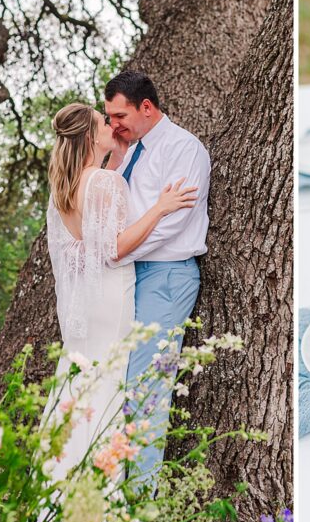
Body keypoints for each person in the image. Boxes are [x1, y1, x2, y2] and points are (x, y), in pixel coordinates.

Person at [42, 102, 197, 481]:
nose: (111, 124)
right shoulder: (106, 181)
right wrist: (160, 208)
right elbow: (113, 247)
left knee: (81, 375)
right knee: (109, 380)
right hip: (111, 294)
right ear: (90, 135)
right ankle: (101, 483)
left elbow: (90, 235)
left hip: (88, 301)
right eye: (102, 122)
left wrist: (116, 161)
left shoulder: (67, 184)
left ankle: (60, 476)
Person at [103, 70, 211, 480]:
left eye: (118, 116)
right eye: (109, 118)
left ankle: (137, 503)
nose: (114, 125)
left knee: (147, 389)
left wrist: (117, 252)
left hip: (166, 276)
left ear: (145, 107)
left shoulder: (184, 148)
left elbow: (172, 224)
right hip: (133, 274)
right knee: (123, 381)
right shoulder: (131, 150)